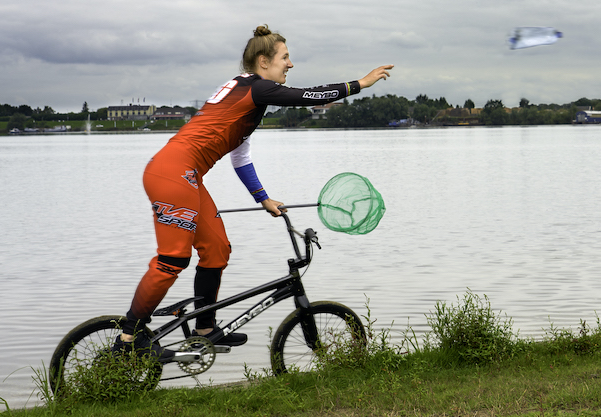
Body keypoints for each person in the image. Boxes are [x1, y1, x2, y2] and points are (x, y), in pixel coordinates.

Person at [114, 25, 394, 360]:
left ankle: (205, 329)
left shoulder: (245, 94)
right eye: (285, 57)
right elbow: (306, 96)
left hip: (184, 176)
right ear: (264, 61)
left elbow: (240, 157)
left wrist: (263, 198)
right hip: (173, 174)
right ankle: (128, 339)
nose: (290, 64)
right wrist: (360, 84)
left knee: (217, 250)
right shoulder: (257, 88)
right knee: (172, 260)